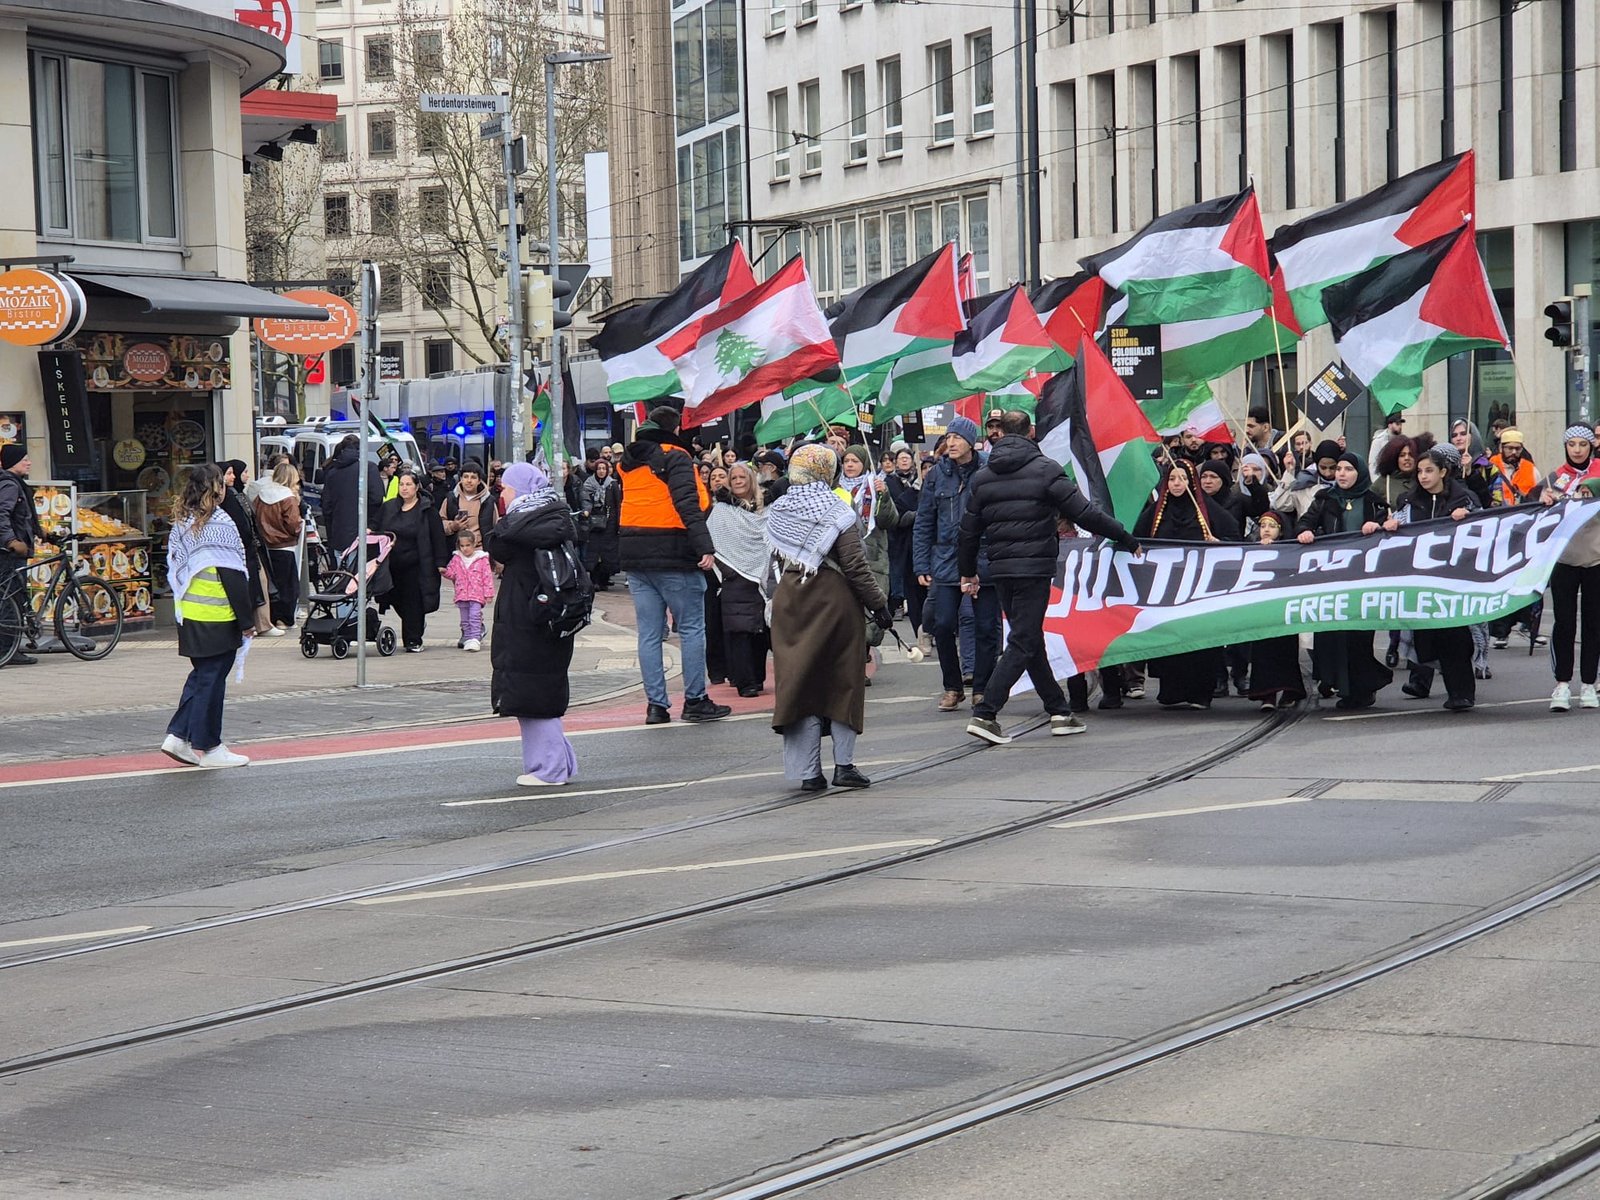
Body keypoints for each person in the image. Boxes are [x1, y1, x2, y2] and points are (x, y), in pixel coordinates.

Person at [958, 411, 1141, 744]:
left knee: (1030, 641)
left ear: (999, 434)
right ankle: (986, 713)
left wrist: (967, 571)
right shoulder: (1045, 470)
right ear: (1031, 432)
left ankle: (1059, 711)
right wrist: (1124, 537)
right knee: (1023, 641)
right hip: (1034, 568)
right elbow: (1084, 513)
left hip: (1000, 570)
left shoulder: (983, 477)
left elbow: (968, 532)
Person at [766, 445, 891, 790]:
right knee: (843, 682)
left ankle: (808, 774)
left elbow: (772, 567)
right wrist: (879, 605)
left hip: (791, 603)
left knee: (800, 684)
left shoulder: (778, 510)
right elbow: (855, 565)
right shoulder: (838, 510)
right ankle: (844, 766)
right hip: (834, 603)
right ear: (828, 472)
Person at [618, 406, 731, 725]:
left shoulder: (626, 463)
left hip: (635, 553)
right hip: (674, 551)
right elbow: (688, 504)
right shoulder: (677, 457)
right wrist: (705, 546)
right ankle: (695, 700)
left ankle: (656, 705)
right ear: (675, 429)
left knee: (650, 634)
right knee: (693, 628)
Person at [486, 462, 580, 787]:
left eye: (507, 488)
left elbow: (498, 543)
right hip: (540, 617)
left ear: (522, 490)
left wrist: (503, 525)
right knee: (536, 691)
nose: (503, 494)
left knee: (533, 694)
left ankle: (548, 768)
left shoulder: (523, 524)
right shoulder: (546, 519)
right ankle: (558, 763)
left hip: (531, 618)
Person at [162, 464, 255, 768]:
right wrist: (247, 621)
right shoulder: (219, 524)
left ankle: (178, 736)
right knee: (212, 682)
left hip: (190, 613)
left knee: (202, 677)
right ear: (218, 489)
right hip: (217, 614)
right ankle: (210, 747)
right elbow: (233, 576)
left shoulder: (183, 522)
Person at [1133, 460, 1241, 709]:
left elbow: (1233, 537)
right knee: (1171, 639)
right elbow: (1138, 538)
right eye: (1172, 479)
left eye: (1182, 478)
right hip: (1168, 590)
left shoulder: (1207, 510)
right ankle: (1172, 691)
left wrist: (1219, 543)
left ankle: (1201, 692)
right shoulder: (1157, 512)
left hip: (1200, 590)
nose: (1177, 484)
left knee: (1199, 641)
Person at [1382, 445, 1481, 711]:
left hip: (1454, 581)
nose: (1423, 476)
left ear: (1443, 472)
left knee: (1455, 637)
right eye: (1420, 472)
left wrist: (1469, 518)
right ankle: (1435, 680)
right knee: (1429, 639)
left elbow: (1484, 526)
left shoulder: (1463, 499)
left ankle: (1461, 693)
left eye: (1429, 471)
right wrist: (1389, 526)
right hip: (1424, 581)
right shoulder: (1409, 501)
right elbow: (1395, 527)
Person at [914, 415, 1000, 712]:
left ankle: (981, 687)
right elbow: (924, 520)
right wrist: (921, 563)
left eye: (957, 438)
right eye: (948, 438)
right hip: (947, 561)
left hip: (984, 558)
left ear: (971, 442)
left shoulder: (990, 468)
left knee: (987, 626)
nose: (950, 443)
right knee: (943, 624)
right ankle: (952, 686)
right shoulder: (937, 474)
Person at [1295, 453, 1393, 709]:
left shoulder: (1374, 501)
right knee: (1332, 635)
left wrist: (1379, 525)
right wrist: (1304, 531)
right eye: (1339, 469)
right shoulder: (1325, 499)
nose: (1341, 474)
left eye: (1348, 469)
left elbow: (1390, 528)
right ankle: (1339, 684)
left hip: (1363, 579)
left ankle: (1361, 689)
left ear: (1358, 473)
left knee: (1357, 637)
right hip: (1332, 578)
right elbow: (1305, 522)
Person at [1538, 426, 1600, 711]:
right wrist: (1543, 501)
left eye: (1583, 444)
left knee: (1594, 622)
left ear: (1591, 446)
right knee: (1564, 623)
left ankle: (1589, 683)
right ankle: (1561, 683)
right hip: (1563, 559)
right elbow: (1531, 508)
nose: (1577, 450)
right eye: (1572, 444)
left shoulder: (1599, 470)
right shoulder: (1554, 477)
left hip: (1596, 558)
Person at [708, 462, 772, 697]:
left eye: (741, 476)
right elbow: (713, 540)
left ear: (750, 479)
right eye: (732, 477)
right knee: (739, 632)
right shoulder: (721, 510)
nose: (737, 481)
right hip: (735, 577)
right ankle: (744, 682)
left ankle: (757, 678)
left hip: (763, 577)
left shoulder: (767, 508)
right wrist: (730, 571)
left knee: (760, 631)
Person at [837, 445, 898, 671]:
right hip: (845, 558)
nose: (850, 465)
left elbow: (889, 521)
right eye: (847, 461)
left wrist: (884, 496)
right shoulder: (835, 490)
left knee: (870, 610)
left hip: (873, 558)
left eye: (855, 461)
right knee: (848, 612)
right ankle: (852, 665)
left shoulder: (874, 486)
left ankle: (861, 657)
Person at [378, 468, 449, 651]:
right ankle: (415, 623)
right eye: (402, 484)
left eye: (409, 484)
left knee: (413, 602)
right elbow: (378, 527)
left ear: (417, 487)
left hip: (417, 564)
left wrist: (441, 562)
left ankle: (413, 639)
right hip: (392, 563)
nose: (404, 488)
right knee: (393, 597)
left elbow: (438, 537)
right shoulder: (389, 507)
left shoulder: (427, 510)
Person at [1241, 511, 1306, 710]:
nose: (1266, 530)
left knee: (1285, 651)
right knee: (1262, 653)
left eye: (1272, 526)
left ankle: (1289, 691)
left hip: (1283, 610)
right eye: (1263, 526)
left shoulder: (1291, 550)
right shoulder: (1250, 549)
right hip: (1261, 611)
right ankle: (1266, 695)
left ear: (1281, 530)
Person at [249, 460, 304, 634]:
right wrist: (297, 530)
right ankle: (285, 619)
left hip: (266, 545)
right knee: (289, 585)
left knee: (272, 584)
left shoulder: (262, 495)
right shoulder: (288, 497)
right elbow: (293, 522)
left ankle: (272, 617)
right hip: (285, 545)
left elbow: (255, 517)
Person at [220, 460, 272, 636]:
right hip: (240, 551)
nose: (233, 477)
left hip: (250, 548)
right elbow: (240, 525)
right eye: (229, 473)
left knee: (259, 584)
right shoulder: (229, 499)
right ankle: (252, 624)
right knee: (248, 585)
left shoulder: (237, 495)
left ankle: (259, 624)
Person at [0, 444, 39, 666]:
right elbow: (2, 515)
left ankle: (8, 646)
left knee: (11, 597)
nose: (29, 462)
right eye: (25, 459)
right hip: (9, 552)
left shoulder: (15, 483)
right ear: (14, 462)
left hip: (11, 549)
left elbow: (23, 518)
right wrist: (11, 541)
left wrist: (45, 534)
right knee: (10, 599)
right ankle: (9, 649)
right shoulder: (9, 484)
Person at [320, 433, 385, 554]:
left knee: (342, 570)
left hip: (339, 534)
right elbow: (376, 498)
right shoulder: (368, 468)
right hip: (364, 532)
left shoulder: (332, 472)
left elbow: (326, 506)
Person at [885, 447, 924, 640]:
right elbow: (894, 512)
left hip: (921, 542)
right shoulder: (889, 482)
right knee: (908, 581)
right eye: (900, 458)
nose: (904, 461)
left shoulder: (920, 484)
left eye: (907, 458)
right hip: (900, 541)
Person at [442, 528, 495, 652]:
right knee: (464, 618)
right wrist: (445, 572)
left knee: (474, 616)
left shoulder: (482, 559)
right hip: (461, 594)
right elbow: (452, 573)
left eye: (468, 545)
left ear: (474, 544)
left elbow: (487, 577)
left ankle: (475, 637)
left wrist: (489, 594)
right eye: (462, 546)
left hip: (476, 594)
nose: (465, 548)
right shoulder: (456, 558)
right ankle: (467, 636)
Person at [1270, 438, 1342, 521]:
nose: (1328, 473)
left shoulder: (1347, 485)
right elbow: (1280, 504)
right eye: (1323, 467)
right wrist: (1289, 473)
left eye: (1333, 468)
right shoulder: (1305, 484)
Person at [579, 456, 620, 589]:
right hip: (593, 524)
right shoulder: (588, 484)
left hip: (609, 523)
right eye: (599, 468)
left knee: (607, 553)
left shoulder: (612, 484)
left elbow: (617, 504)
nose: (601, 471)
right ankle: (594, 580)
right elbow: (584, 500)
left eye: (604, 468)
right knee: (593, 552)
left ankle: (604, 580)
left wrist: (618, 523)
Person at [439, 459, 498, 546]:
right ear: (461, 479)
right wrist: (452, 526)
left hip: (480, 551)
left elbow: (495, 527)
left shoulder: (488, 501)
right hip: (456, 550)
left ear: (479, 481)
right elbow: (439, 524)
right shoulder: (451, 499)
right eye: (466, 477)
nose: (469, 481)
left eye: (473, 477)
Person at [1450, 420, 1497, 509]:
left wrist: (1471, 473)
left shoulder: (1487, 466)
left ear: (1473, 436)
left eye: (1463, 434)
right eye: (1454, 435)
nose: (1458, 438)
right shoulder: (1449, 466)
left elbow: (1491, 503)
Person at [1373, 435, 1421, 509]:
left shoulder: (1422, 479)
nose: (1407, 458)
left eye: (1411, 455)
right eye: (1402, 455)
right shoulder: (1382, 483)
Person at [1367, 409, 1406, 476]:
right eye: (1397, 424)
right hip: (1383, 479)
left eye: (1400, 424)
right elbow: (1373, 464)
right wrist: (1377, 482)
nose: (1400, 427)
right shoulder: (1378, 441)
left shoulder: (1403, 440)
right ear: (1389, 425)